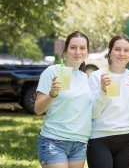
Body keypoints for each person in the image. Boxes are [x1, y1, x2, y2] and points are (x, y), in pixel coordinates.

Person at [34, 31, 93, 168]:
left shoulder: (85, 78)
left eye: (82, 48)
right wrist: (52, 95)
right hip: (54, 141)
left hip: (79, 143)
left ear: (87, 53)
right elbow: (38, 109)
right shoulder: (52, 71)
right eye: (73, 47)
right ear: (65, 51)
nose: (78, 52)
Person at [87, 35, 129, 168]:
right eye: (117, 49)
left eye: (126, 50)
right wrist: (103, 92)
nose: (122, 53)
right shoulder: (96, 77)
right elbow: (92, 113)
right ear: (110, 52)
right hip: (99, 139)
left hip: (126, 141)